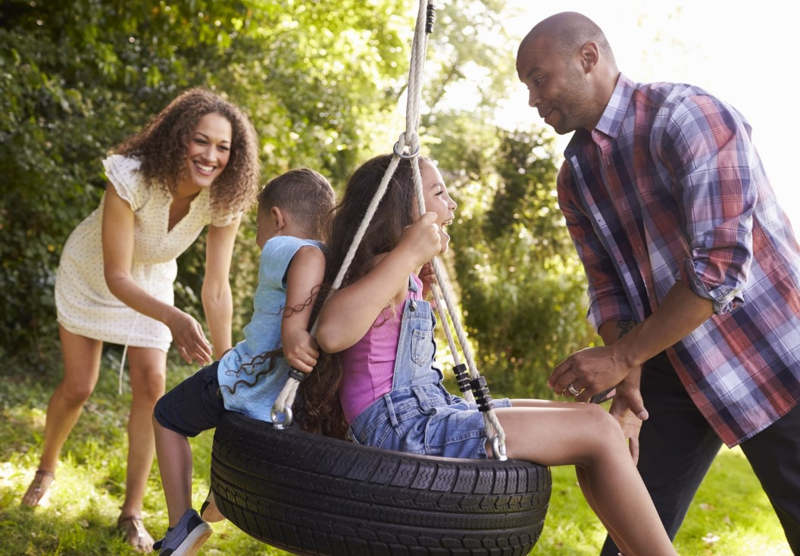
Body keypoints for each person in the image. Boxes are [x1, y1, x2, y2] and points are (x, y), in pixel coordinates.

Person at [516, 11, 800, 555]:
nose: (532, 98)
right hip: (674, 368)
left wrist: (622, 356)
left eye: (538, 77)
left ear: (588, 57)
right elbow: (608, 289)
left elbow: (717, 268)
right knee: (631, 540)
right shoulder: (575, 174)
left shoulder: (687, 117)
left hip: (771, 354)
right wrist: (629, 381)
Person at [310, 154, 677, 556]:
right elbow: (331, 333)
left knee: (594, 422)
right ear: (403, 207)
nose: (451, 204)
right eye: (439, 192)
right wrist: (406, 256)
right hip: (402, 427)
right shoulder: (386, 266)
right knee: (599, 433)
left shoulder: (402, 274)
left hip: (427, 409)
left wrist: (414, 273)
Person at [21, 88, 260, 552]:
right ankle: (46, 467)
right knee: (79, 385)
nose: (211, 156)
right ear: (178, 138)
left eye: (223, 147)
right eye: (201, 141)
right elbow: (115, 275)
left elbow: (216, 287)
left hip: (151, 278)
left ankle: (130, 514)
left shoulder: (223, 198)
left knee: (151, 386)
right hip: (93, 274)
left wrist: (226, 359)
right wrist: (174, 319)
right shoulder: (131, 177)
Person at [151, 168, 334, 555]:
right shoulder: (340, 259)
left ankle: (181, 523)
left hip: (244, 376)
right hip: (292, 394)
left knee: (167, 417)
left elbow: (307, 255)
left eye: (257, 226)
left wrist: (292, 328)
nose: (256, 238)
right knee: (246, 431)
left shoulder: (287, 246)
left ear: (278, 218)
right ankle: (222, 493)